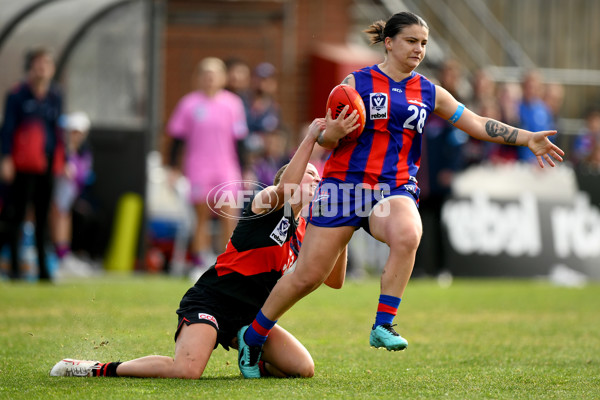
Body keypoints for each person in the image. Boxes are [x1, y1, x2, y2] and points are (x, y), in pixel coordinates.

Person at [237, 11, 565, 378]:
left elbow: (475, 123)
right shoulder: (354, 83)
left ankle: (383, 324)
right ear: (389, 42)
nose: (419, 49)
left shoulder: (429, 91)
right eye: (411, 41)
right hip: (343, 188)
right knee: (308, 277)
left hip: (393, 188)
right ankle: (253, 335)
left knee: (409, 232)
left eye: (424, 43)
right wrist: (335, 130)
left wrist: (526, 137)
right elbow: (326, 138)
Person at [50, 117, 355, 379]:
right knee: (186, 370)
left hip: (253, 318)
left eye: (319, 179)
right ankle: (96, 368)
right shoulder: (266, 205)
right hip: (212, 301)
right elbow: (286, 187)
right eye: (311, 176)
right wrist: (311, 138)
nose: (318, 183)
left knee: (303, 368)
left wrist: (342, 226)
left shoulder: (307, 230)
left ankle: (249, 352)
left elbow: (335, 281)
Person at [166, 57, 248, 273]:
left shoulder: (233, 104)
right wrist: (173, 169)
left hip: (226, 168)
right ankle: (200, 262)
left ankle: (229, 263)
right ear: (198, 78)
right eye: (205, 74)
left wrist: (245, 169)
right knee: (200, 216)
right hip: (198, 168)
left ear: (222, 78)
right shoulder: (189, 104)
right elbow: (177, 139)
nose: (210, 79)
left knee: (229, 216)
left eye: (214, 74)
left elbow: (240, 141)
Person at [0, 47, 65, 281]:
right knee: (17, 216)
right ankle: (15, 270)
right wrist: (6, 158)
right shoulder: (17, 95)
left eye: (46, 64)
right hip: (23, 164)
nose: (42, 69)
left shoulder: (55, 95)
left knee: (43, 215)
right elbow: (7, 129)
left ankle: (44, 272)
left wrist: (63, 160)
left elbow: (58, 130)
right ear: (31, 68)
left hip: (46, 164)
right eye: (38, 64)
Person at [51, 111, 95, 277]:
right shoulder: (61, 151)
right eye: (73, 131)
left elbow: (83, 176)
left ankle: (64, 255)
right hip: (58, 197)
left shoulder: (84, 153)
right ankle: (59, 257)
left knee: (66, 216)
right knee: (60, 216)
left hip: (70, 196)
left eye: (79, 132)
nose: (76, 135)